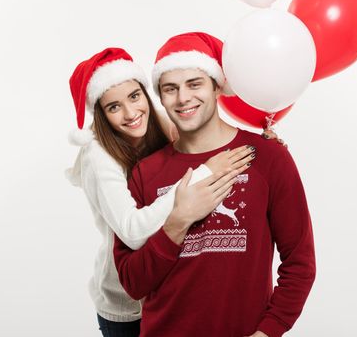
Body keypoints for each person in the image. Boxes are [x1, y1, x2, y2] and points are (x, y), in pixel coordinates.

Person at [113, 32, 316, 337]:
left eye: (194, 84)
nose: (183, 98)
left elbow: (300, 262)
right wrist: (177, 223)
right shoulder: (146, 173)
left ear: (217, 86)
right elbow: (133, 282)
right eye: (170, 89)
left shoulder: (267, 158)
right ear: (160, 96)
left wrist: (268, 332)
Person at [66, 47, 265, 336]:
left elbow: (207, 136)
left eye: (134, 97)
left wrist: (261, 144)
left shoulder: (157, 121)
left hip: (169, 292)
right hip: (127, 305)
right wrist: (202, 177)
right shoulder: (98, 157)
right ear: (101, 114)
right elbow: (133, 232)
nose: (131, 113)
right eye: (114, 107)